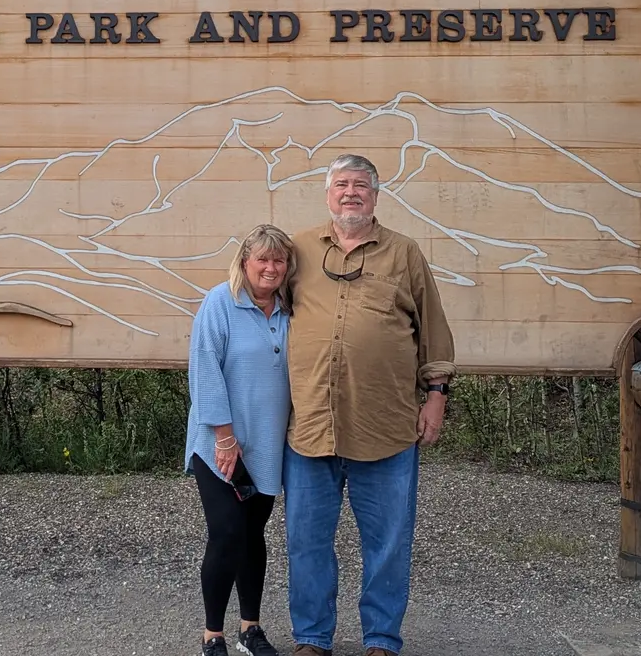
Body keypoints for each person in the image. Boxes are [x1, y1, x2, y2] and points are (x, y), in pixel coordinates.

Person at [283, 154, 455, 656]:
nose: (351, 193)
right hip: (311, 425)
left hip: (386, 426)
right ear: (327, 194)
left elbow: (434, 330)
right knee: (307, 543)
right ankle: (312, 638)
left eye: (361, 185)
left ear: (376, 196)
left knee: (387, 546)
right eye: (342, 185)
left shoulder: (405, 253)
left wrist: (437, 397)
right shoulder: (298, 250)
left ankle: (381, 640)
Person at [186, 224, 299, 656]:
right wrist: (225, 437)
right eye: (263, 260)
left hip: (268, 445)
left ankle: (250, 628)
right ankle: (212, 634)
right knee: (227, 533)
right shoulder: (221, 302)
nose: (271, 268)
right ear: (246, 262)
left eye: (279, 260)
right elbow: (205, 368)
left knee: (254, 535)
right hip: (221, 445)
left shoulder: (291, 309)